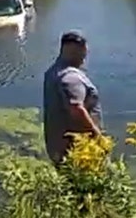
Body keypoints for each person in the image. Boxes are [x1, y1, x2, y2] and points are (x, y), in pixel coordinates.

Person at [43, 30, 103, 166]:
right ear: (77, 50)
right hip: (79, 151)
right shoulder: (71, 78)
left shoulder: (52, 72)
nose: (85, 57)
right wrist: (97, 136)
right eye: (84, 52)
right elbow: (75, 108)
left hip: (57, 145)